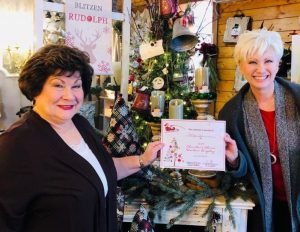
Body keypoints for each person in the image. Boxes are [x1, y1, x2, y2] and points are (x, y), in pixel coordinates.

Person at [0, 44, 164, 232]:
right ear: (36, 88)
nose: (70, 96)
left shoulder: (80, 124)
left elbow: (103, 169)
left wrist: (143, 159)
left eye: (76, 86)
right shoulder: (15, 144)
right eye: (58, 85)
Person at [220, 29, 300, 232]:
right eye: (252, 62)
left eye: (268, 61)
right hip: (260, 206)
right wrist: (234, 159)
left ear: (278, 63)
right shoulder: (231, 114)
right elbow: (240, 173)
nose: (261, 69)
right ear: (240, 66)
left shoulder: (297, 99)